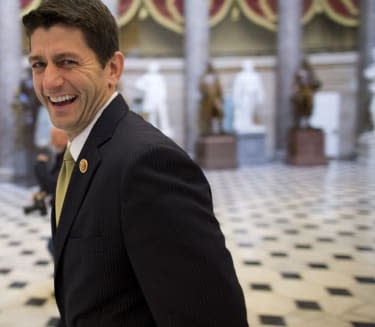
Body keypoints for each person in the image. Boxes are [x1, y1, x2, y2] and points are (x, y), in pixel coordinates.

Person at [22, 1, 248, 326]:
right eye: (38, 64)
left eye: (67, 62)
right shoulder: (81, 152)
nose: (49, 82)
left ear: (112, 69)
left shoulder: (149, 164)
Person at [24, 127, 68, 216]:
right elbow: (53, 178)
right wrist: (42, 192)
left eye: (54, 138)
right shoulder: (61, 154)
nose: (51, 142)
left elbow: (52, 184)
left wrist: (41, 164)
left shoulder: (68, 156)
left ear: (64, 137)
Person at [134, 62, 173, 137]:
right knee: (152, 113)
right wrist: (146, 89)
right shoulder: (146, 77)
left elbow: (163, 88)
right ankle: (153, 126)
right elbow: (138, 85)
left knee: (162, 112)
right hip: (151, 97)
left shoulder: (160, 77)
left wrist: (164, 96)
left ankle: (164, 127)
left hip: (159, 98)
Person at [232, 60, 265, 133]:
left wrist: (260, 97)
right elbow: (237, 89)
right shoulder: (240, 76)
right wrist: (236, 99)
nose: (249, 66)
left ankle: (249, 123)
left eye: (250, 65)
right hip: (245, 96)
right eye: (247, 65)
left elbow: (259, 87)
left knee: (251, 110)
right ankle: (245, 124)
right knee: (245, 110)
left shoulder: (255, 76)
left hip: (253, 96)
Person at [291, 58, 322, 129]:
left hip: (309, 92)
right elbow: (296, 84)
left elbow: (315, 82)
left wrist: (315, 85)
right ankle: (300, 123)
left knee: (309, 107)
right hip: (301, 92)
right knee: (300, 108)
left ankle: (307, 122)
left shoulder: (310, 73)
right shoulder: (300, 73)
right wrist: (296, 92)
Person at [199, 61, 225, 135]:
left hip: (216, 99)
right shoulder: (204, 77)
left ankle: (220, 129)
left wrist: (221, 97)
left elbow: (219, 88)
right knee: (207, 116)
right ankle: (208, 131)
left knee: (220, 114)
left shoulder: (215, 77)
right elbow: (201, 87)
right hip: (207, 100)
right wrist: (205, 93)